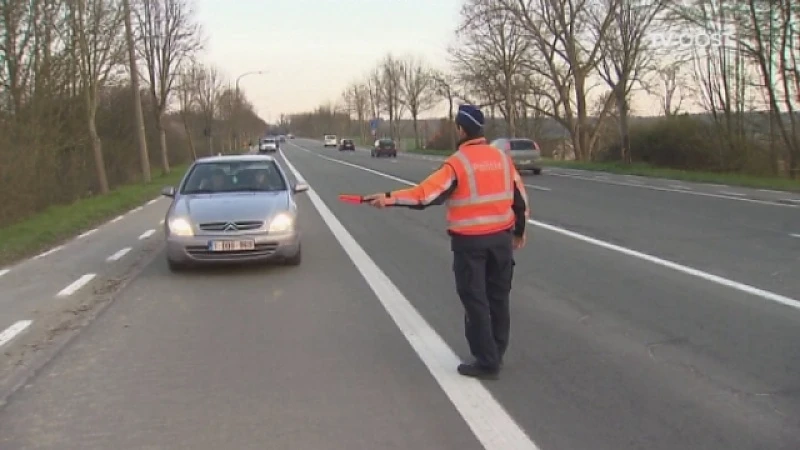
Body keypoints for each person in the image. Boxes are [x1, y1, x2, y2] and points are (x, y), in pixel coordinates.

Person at [363, 104, 530, 380]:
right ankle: (496, 352)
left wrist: (389, 198)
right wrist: (519, 231)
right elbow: (520, 198)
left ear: (461, 129)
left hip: (471, 245)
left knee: (475, 300)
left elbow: (424, 195)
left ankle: (486, 361)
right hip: (501, 241)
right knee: (498, 298)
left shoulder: (458, 163)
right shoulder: (501, 158)